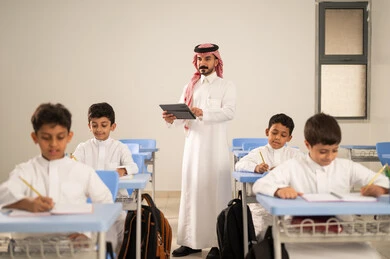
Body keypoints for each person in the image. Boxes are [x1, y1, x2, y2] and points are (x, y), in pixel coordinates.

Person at [252, 113, 389, 259]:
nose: (329, 157)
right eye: (323, 151)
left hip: (343, 234)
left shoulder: (346, 167)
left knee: (371, 256)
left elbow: (382, 180)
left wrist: (381, 188)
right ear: (307, 145)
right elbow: (260, 185)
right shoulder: (293, 166)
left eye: (335, 150)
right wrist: (279, 190)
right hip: (299, 235)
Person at [0, 103, 123, 252]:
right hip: (29, 248)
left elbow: (106, 206)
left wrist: (88, 234)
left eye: (60, 137)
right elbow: (3, 194)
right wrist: (26, 203)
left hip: (74, 247)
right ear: (35, 137)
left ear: (69, 136)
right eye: (46, 138)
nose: (53, 144)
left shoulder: (83, 171)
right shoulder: (25, 171)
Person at [162, 43, 236, 258]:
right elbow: (182, 115)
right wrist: (171, 118)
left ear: (216, 61)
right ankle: (191, 242)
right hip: (193, 149)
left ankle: (217, 243)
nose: (203, 63)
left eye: (207, 59)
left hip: (215, 151)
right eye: (199, 60)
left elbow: (229, 112)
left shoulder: (226, 86)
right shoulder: (190, 87)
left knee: (215, 196)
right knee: (192, 193)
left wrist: (203, 111)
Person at [235, 113, 304, 238]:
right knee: (261, 235)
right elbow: (240, 165)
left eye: (283, 135)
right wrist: (256, 168)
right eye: (274, 133)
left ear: (289, 138)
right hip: (260, 206)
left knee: (290, 234)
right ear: (267, 132)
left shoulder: (295, 154)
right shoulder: (258, 152)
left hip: (288, 205)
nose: (277, 137)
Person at [72, 102, 138, 197]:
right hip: (89, 199)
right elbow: (72, 167)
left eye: (103, 125)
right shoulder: (82, 148)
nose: (99, 129)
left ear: (112, 127)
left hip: (116, 199)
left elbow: (133, 167)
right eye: (94, 125)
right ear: (89, 126)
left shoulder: (120, 148)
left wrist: (123, 169)